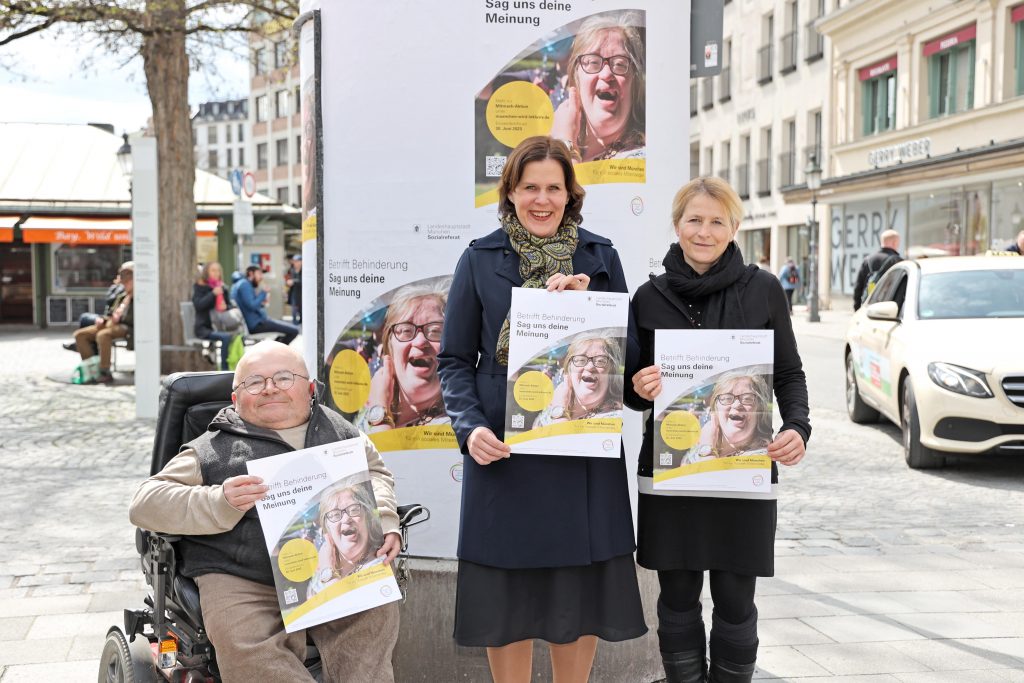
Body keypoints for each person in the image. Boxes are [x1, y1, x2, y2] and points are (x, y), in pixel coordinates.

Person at [438, 136, 646, 683]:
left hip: (582, 453)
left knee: (576, 592)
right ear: (509, 191)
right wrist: (469, 427)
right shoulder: (479, 258)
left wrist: (585, 313)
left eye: (554, 187)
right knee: (506, 597)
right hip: (505, 451)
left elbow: (629, 359)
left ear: (570, 193)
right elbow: (455, 359)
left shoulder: (601, 257)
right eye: (530, 186)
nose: (542, 199)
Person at [129, 341, 401, 682]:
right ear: (236, 399)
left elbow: (375, 474)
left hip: (334, 567)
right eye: (254, 382)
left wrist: (386, 519)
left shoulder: (343, 435)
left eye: (284, 378)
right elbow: (145, 501)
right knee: (248, 645)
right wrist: (219, 500)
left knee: (374, 615)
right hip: (242, 576)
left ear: (310, 389)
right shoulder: (212, 448)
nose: (270, 388)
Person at [627, 177, 810, 683]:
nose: (703, 231)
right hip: (672, 472)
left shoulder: (764, 290)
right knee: (678, 593)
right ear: (677, 224)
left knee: (736, 594)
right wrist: (639, 385)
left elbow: (789, 372)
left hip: (743, 471)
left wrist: (797, 426)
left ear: (734, 227)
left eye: (716, 221)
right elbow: (626, 388)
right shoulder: (648, 297)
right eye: (694, 219)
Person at [550, 11, 646, 162]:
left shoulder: (642, 158)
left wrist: (563, 144)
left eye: (620, 64)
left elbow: (566, 185)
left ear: (634, 84)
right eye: (593, 62)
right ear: (576, 78)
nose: (607, 74)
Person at [357, 283, 450, 433]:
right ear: (390, 348)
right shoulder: (368, 408)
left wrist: (380, 412)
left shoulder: (456, 424)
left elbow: (383, 457)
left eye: (435, 331)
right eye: (406, 330)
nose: (420, 342)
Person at [677, 372, 774, 467]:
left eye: (747, 399)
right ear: (715, 409)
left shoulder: (759, 456)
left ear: (760, 411)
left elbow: (714, 481)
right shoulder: (702, 443)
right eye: (727, 398)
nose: (737, 405)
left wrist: (707, 447)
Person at [308, 481, 386, 596]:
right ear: (327, 529)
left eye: (354, 510)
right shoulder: (322, 565)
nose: (346, 519)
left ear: (367, 517)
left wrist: (327, 572)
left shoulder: (380, 562)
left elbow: (348, 603)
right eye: (335, 514)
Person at [533, 333, 624, 427]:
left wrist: (559, 411)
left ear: (611, 373)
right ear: (568, 372)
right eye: (580, 360)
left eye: (600, 361)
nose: (590, 367)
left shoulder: (615, 417)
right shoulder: (555, 404)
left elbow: (564, 441)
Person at [73, 262, 134, 385]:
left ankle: (105, 371)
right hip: (110, 323)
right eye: (124, 283)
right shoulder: (122, 295)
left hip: (125, 326)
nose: (125, 286)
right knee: (80, 335)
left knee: (103, 335)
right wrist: (104, 319)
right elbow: (111, 311)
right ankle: (92, 368)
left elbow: (132, 319)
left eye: (127, 283)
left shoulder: (138, 297)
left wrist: (120, 317)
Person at [62, 268, 124, 353]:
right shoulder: (117, 288)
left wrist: (120, 286)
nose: (119, 277)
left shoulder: (124, 289)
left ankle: (85, 348)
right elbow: (109, 300)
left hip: (112, 320)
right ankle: (87, 348)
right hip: (107, 317)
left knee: (86, 320)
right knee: (85, 317)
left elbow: (113, 304)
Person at [236, 265, 299, 345]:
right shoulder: (244, 285)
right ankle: (273, 351)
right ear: (251, 273)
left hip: (259, 321)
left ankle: (272, 350)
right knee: (294, 330)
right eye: (259, 273)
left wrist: (262, 303)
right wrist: (263, 293)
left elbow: (251, 305)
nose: (261, 277)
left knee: (292, 329)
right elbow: (252, 305)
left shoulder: (244, 284)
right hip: (257, 324)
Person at [193, 261, 237, 371]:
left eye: (218, 270)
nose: (216, 273)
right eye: (213, 270)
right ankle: (224, 370)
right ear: (206, 272)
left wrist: (226, 306)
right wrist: (212, 294)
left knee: (238, 335)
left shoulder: (223, 287)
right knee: (226, 337)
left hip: (220, 325)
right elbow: (198, 305)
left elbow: (230, 306)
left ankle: (236, 365)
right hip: (204, 327)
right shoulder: (200, 286)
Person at [853, 229, 902, 311]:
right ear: (895, 243)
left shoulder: (868, 260)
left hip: (868, 308)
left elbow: (858, 287)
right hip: (890, 310)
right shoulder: (898, 261)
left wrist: (857, 309)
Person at [285, 254, 303, 325]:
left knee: (301, 308)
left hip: (302, 292)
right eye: (294, 261)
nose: (295, 263)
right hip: (293, 292)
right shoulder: (291, 270)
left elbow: (304, 281)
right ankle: (294, 323)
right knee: (294, 309)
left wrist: (293, 282)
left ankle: (301, 321)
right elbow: (289, 278)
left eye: (297, 261)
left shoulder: (304, 270)